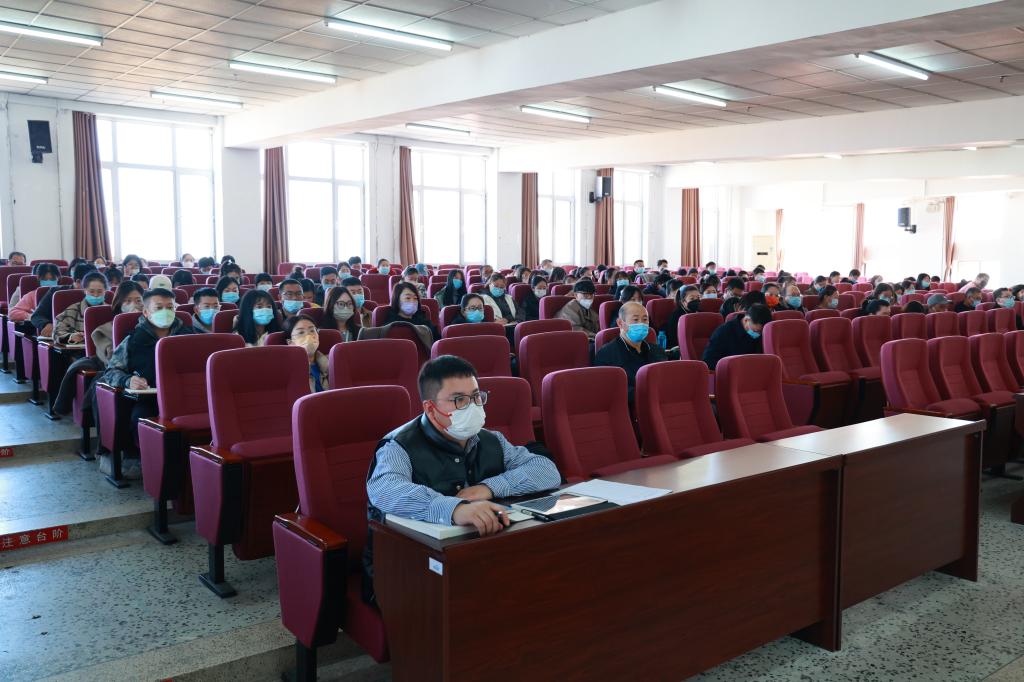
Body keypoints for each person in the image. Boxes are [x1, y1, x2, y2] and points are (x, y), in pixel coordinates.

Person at [364, 354, 561, 599]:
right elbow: (386, 490)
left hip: (477, 557)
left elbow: (546, 470)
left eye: (476, 396)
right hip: (406, 570)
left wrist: (489, 488)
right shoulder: (398, 446)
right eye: (459, 400)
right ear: (430, 408)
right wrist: (454, 509)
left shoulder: (491, 440)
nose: (473, 406)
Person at [96, 288, 195, 477]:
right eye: (159, 308)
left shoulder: (190, 336)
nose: (165, 312)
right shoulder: (133, 339)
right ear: (146, 312)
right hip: (150, 399)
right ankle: (151, 466)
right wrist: (128, 380)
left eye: (170, 307)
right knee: (140, 419)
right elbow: (111, 371)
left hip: (187, 398)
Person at [594, 301, 667, 402]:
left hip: (662, 402)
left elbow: (666, 380)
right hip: (631, 406)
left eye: (645, 320)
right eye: (635, 320)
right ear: (620, 323)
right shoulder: (606, 354)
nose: (641, 324)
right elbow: (611, 391)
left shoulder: (657, 350)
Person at [702, 303, 771, 370]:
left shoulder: (765, 333)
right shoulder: (724, 332)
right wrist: (734, 366)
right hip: (731, 372)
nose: (759, 335)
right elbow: (708, 361)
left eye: (761, 332)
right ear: (746, 320)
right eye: (756, 331)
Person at [54, 271, 108, 344]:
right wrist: (71, 336)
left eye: (99, 292)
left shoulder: (110, 311)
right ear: (85, 291)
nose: (95, 295)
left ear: (105, 291)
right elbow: (56, 332)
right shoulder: (73, 310)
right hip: (80, 349)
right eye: (92, 291)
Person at [283, 314, 329, 393]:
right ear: (290, 342)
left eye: (312, 331)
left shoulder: (331, 362)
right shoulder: (287, 370)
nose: (309, 336)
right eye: (301, 332)